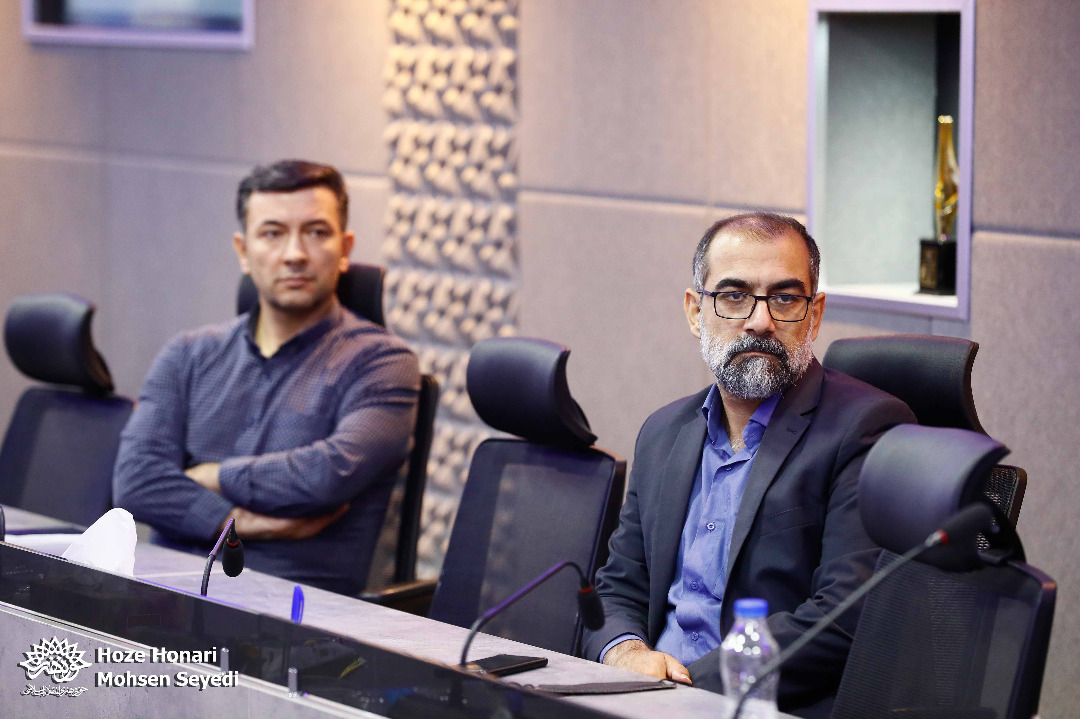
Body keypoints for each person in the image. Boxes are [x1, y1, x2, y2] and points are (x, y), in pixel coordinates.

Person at [582, 213, 916, 718]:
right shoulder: (663, 433)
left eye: (785, 299)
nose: (760, 321)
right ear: (696, 311)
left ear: (814, 315)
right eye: (734, 296)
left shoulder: (866, 429)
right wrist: (625, 653)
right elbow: (619, 583)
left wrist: (682, 690)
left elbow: (844, 619)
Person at [113, 159, 420, 595]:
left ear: (345, 248)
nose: (295, 254)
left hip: (295, 612)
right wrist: (242, 523)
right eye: (273, 233)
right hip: (164, 597)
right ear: (243, 251)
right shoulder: (187, 354)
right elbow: (135, 482)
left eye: (316, 232)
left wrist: (212, 477)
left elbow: (327, 475)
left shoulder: (383, 363)